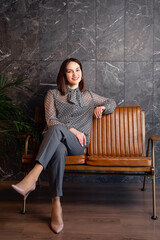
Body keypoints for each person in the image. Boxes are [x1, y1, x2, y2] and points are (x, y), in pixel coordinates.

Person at [12, 58, 116, 234]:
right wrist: (72, 129)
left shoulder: (89, 96)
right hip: (54, 141)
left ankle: (33, 177)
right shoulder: (52, 94)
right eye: (70, 71)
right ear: (64, 74)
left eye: (77, 70)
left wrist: (103, 107)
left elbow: (112, 102)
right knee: (58, 148)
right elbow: (51, 121)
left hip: (77, 145)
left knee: (59, 131)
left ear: (81, 73)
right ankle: (56, 205)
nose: (75, 74)